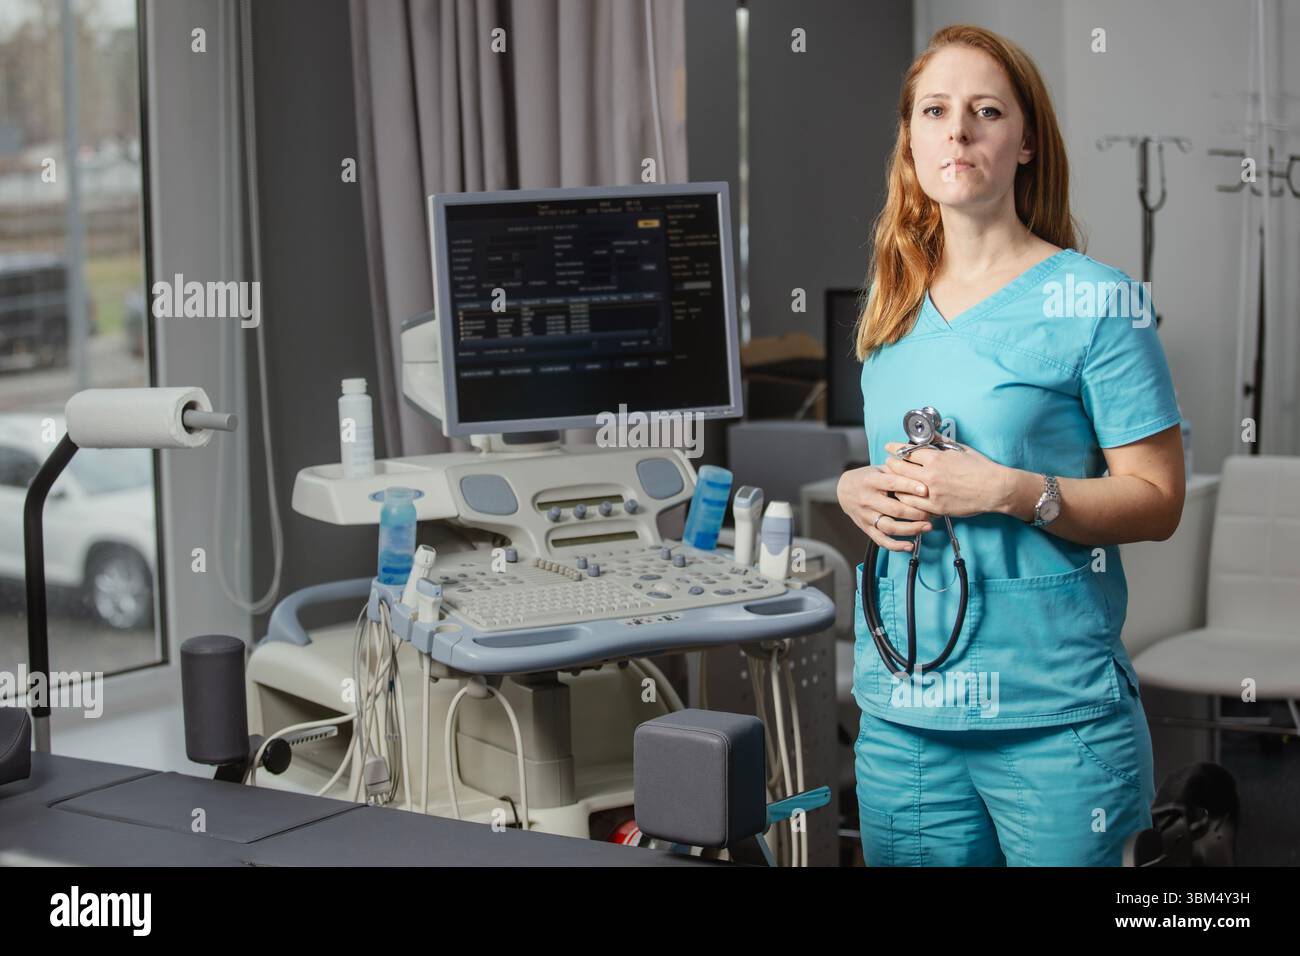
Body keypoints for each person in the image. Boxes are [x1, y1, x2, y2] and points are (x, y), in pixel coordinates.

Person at [836, 24, 1185, 866]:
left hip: (1053, 721)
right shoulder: (890, 310)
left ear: (1025, 144)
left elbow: (1159, 499)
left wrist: (1008, 491)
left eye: (985, 111)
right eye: (935, 110)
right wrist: (856, 488)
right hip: (906, 718)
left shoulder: (1098, 304)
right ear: (912, 139)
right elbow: (901, 471)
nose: (957, 130)